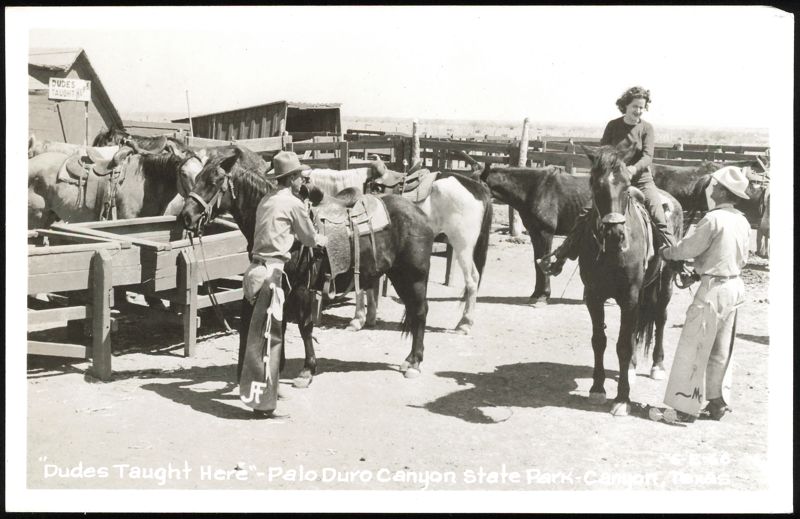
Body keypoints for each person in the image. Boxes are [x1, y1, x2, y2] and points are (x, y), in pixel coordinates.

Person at [649, 166, 752, 424]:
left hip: (713, 290)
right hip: (734, 286)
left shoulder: (712, 219)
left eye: (715, 186)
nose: (711, 189)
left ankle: (685, 407)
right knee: (721, 349)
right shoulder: (742, 220)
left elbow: (687, 249)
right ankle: (717, 403)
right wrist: (699, 273)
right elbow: (737, 257)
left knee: (693, 348)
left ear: (723, 192)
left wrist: (665, 253)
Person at [540, 86, 675, 276]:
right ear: (625, 106)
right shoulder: (613, 126)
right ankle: (560, 257)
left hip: (641, 181)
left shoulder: (647, 128)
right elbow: (603, 153)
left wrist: (632, 169)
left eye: (642, 107)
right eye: (635, 106)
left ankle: (676, 261)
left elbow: (647, 156)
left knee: (658, 217)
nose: (638, 111)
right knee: (585, 214)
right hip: (615, 183)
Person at [238, 151, 328, 418]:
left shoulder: (265, 200)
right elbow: (309, 238)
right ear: (290, 179)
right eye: (299, 176)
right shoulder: (293, 203)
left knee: (254, 336)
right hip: (273, 273)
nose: (302, 180)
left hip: (253, 271)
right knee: (270, 338)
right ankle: (263, 407)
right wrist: (321, 239)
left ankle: (261, 390)